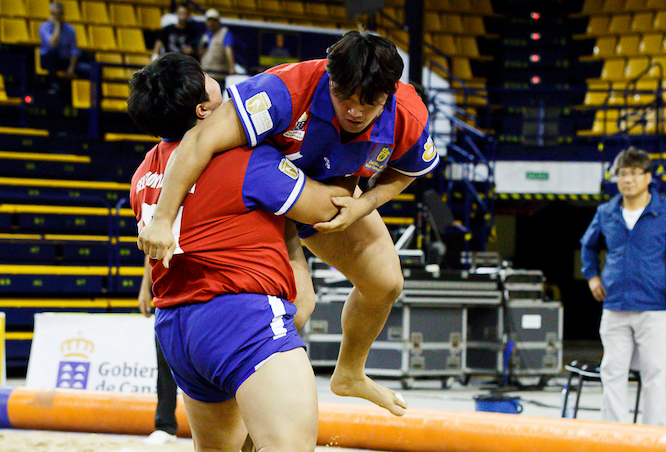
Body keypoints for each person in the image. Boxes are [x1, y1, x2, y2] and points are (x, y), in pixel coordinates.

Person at [128, 52, 351, 452]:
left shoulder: (146, 171)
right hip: (239, 315)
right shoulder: (245, 159)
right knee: (289, 444)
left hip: (179, 326)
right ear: (205, 111)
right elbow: (326, 207)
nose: (228, 91)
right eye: (214, 86)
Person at [138, 30, 440, 417]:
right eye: (345, 98)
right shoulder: (282, 90)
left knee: (386, 283)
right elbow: (198, 142)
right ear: (330, 78)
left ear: (390, 93)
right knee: (298, 307)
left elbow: (406, 171)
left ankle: (349, 373)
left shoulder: (407, 114)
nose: (355, 111)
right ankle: (247, 417)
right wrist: (162, 219)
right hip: (263, 196)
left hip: (327, 194)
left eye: (369, 103)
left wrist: (364, 205)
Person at [580, 147, 666, 427]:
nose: (628, 180)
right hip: (615, 305)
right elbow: (588, 247)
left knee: (654, 375)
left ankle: (652, 437)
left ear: (648, 177)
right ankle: (614, 435)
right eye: (623, 174)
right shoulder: (606, 212)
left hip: (654, 307)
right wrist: (592, 276)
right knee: (612, 372)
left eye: (635, 173)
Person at [138, 256, 180, 439]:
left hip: (205, 293)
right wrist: (144, 288)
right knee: (164, 362)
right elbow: (151, 251)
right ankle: (165, 425)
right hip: (167, 294)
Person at [38, 2, 82, 94]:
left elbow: (74, 51)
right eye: (54, 14)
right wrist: (57, 26)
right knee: (52, 52)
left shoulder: (70, 29)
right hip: (49, 61)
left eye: (59, 14)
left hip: (65, 61)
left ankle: (84, 94)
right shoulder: (44, 27)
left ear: (63, 14)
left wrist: (71, 68)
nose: (57, 17)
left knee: (88, 69)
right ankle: (53, 85)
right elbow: (52, 43)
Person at [199, 9, 235, 88]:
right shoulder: (205, 36)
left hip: (218, 75)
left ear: (218, 21)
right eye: (209, 20)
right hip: (205, 74)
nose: (211, 23)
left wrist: (231, 67)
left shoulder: (224, 33)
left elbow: (228, 50)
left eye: (214, 20)